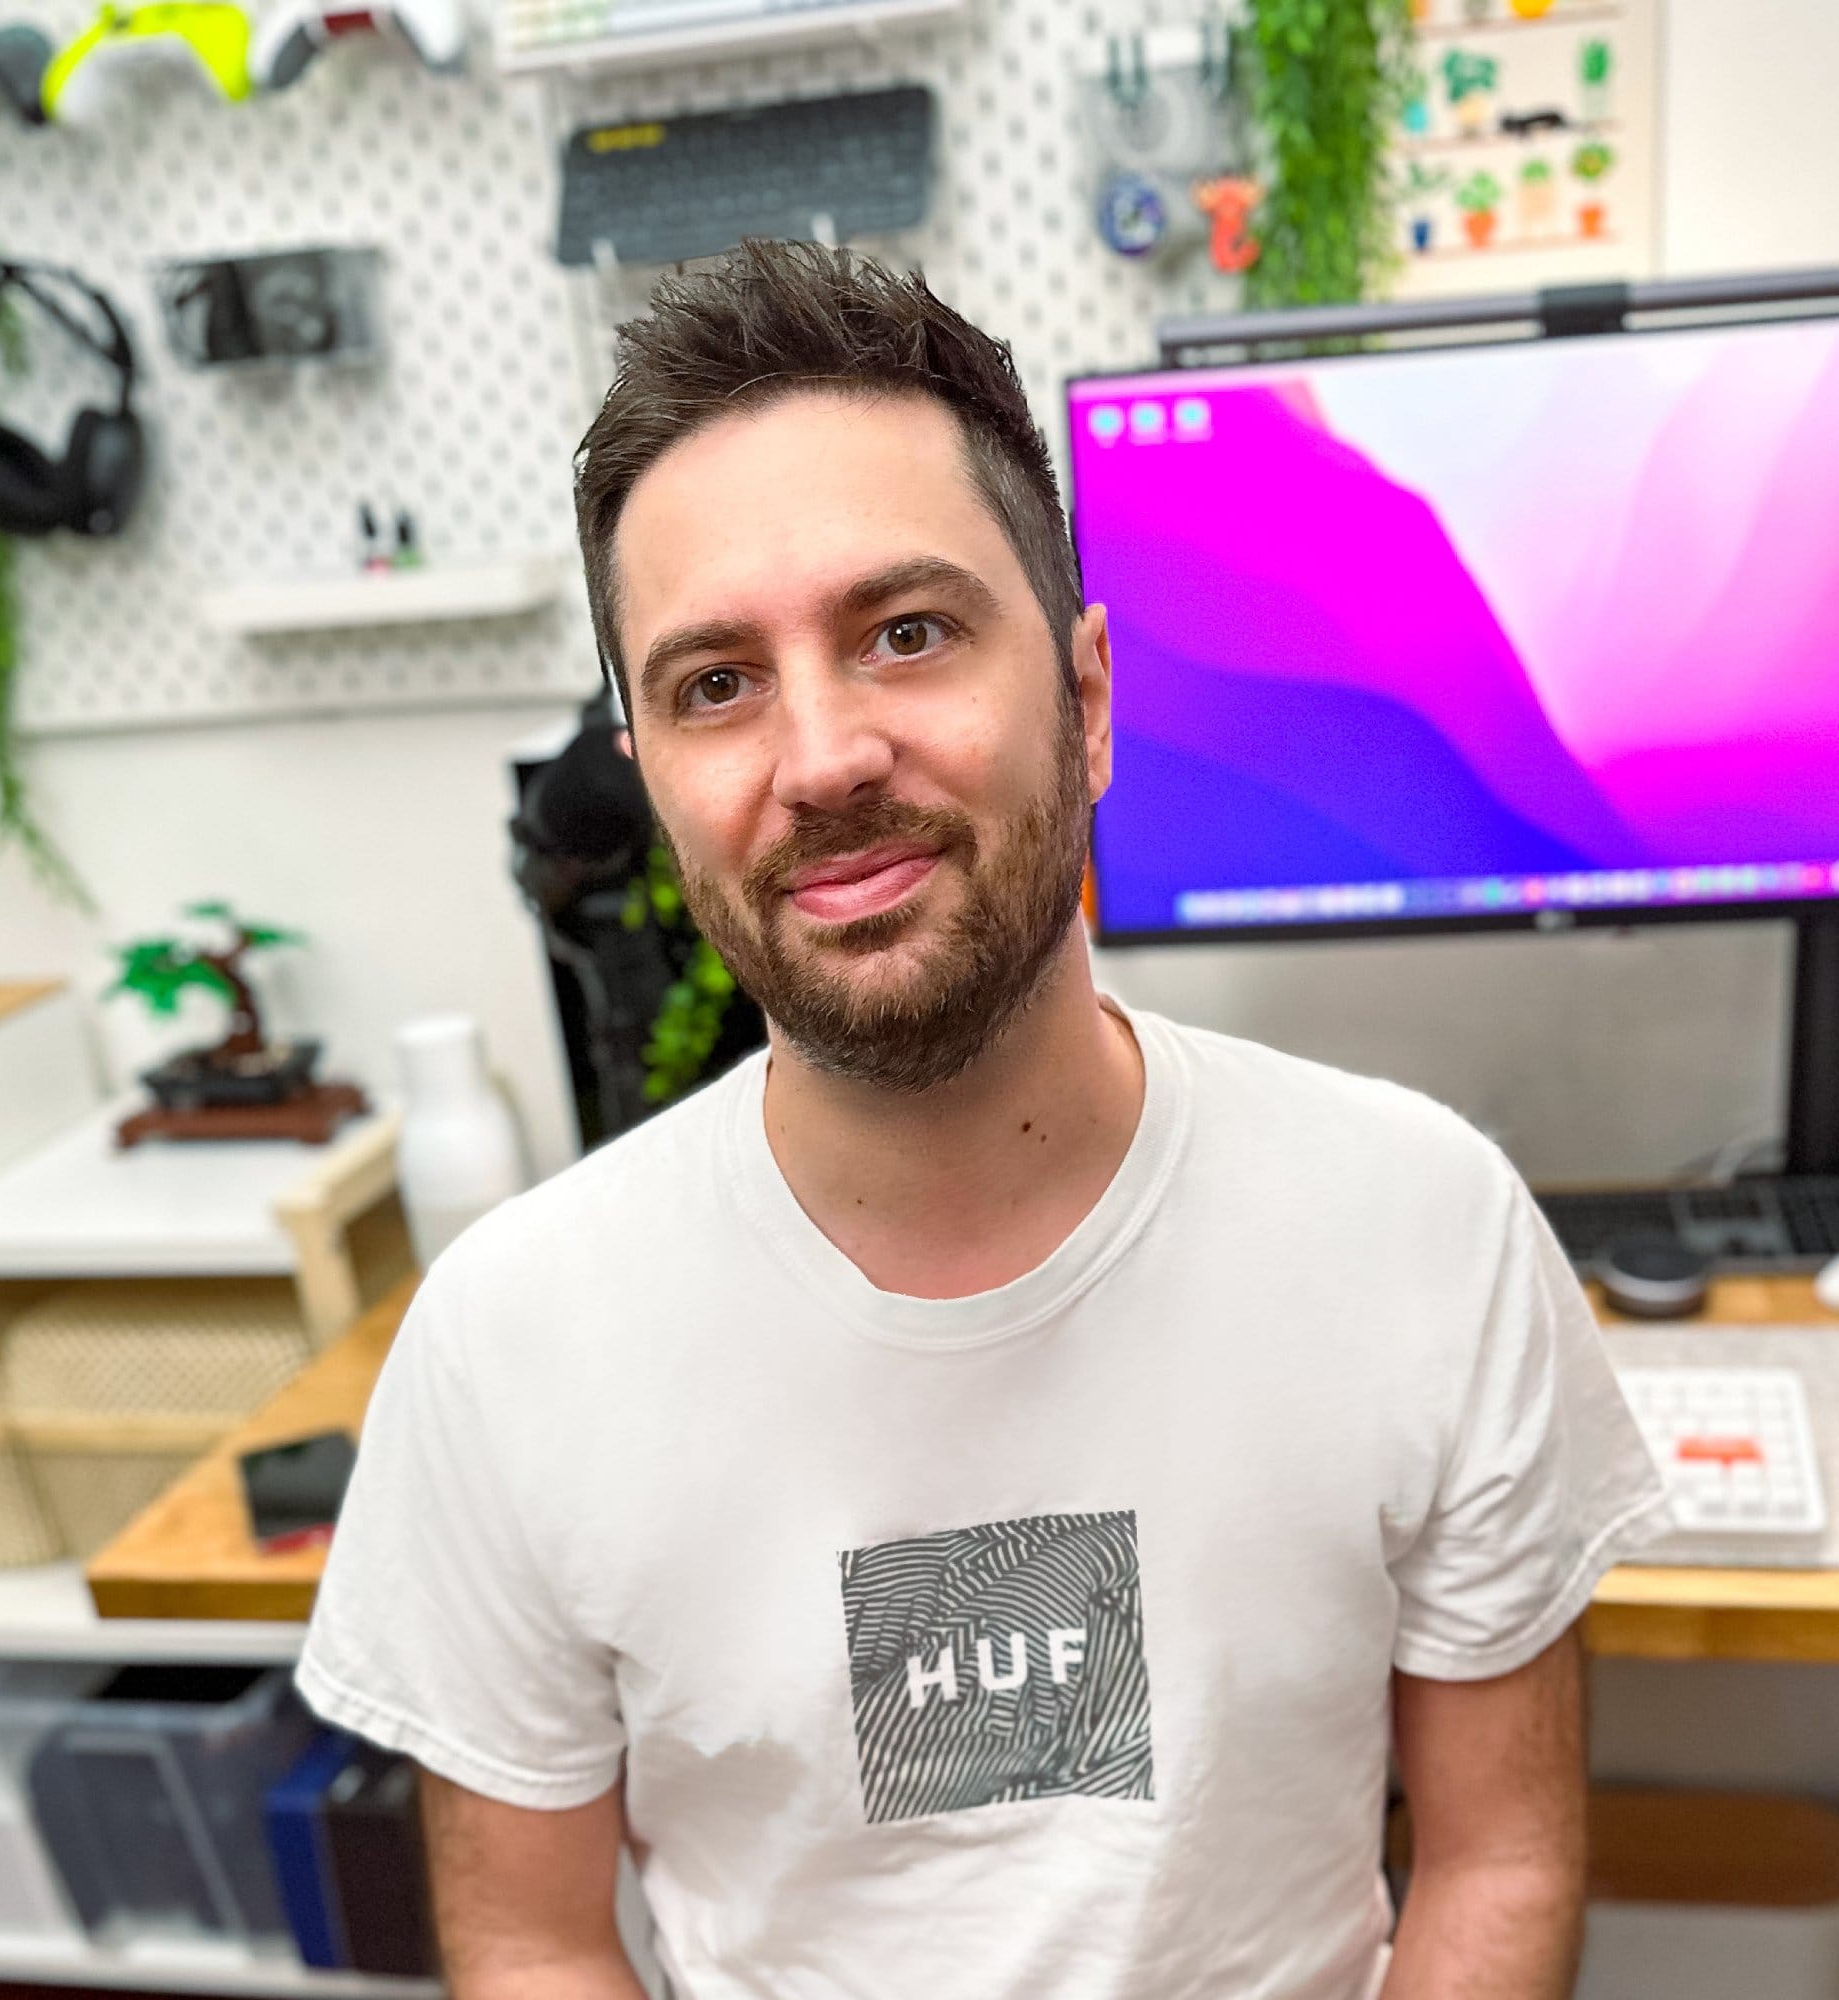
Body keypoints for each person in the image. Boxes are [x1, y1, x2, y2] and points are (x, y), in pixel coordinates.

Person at [296, 238, 1673, 2000]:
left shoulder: (1426, 1226)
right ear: (652, 778)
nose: (823, 757)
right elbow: (528, 1938)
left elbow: (1501, 1858)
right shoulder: (509, 1346)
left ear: (1088, 699)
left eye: (909, 632)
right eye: (717, 682)